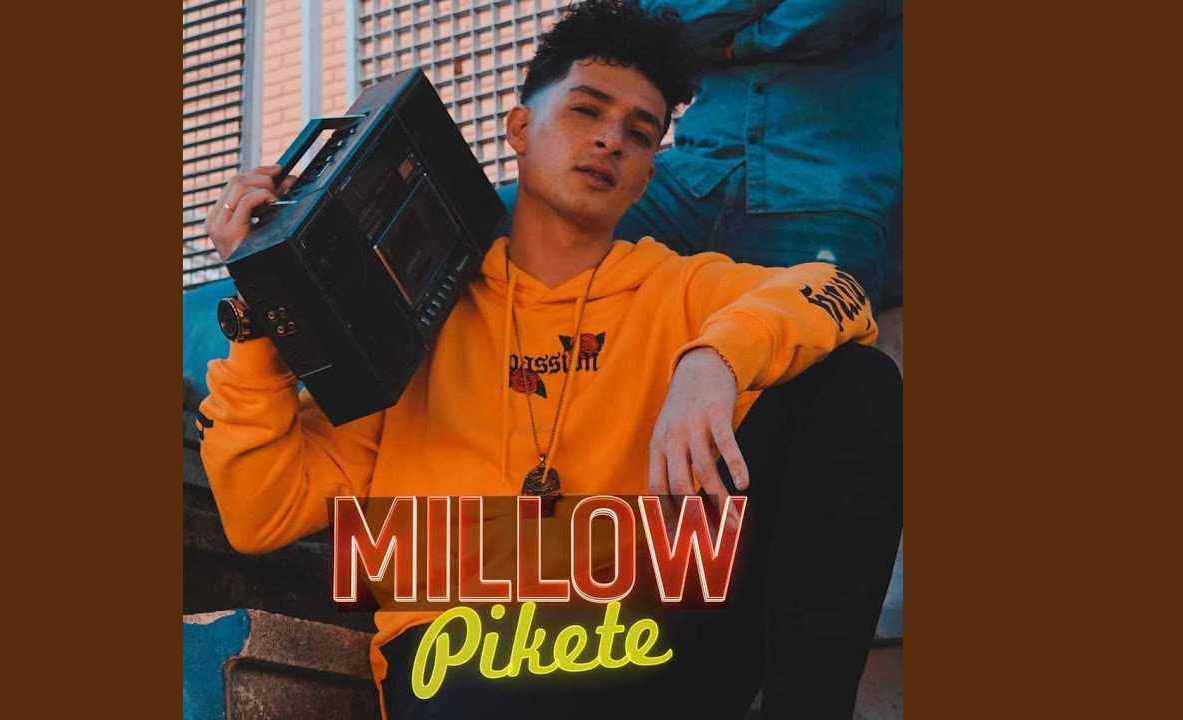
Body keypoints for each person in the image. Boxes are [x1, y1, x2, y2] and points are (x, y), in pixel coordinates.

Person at [197, 2, 901, 718]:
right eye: (586, 110)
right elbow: (260, 514)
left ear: (649, 174)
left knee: (854, 383)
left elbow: (835, 291)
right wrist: (261, 308)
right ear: (519, 130)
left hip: (639, 637)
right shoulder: (417, 322)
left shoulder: (679, 288)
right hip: (464, 654)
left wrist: (713, 360)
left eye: (640, 133)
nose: (610, 140)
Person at [497, 0, 903, 310]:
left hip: (820, 192)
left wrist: (732, 45)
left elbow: (828, 13)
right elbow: (657, 21)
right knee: (490, 217)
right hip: (694, 179)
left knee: (808, 364)